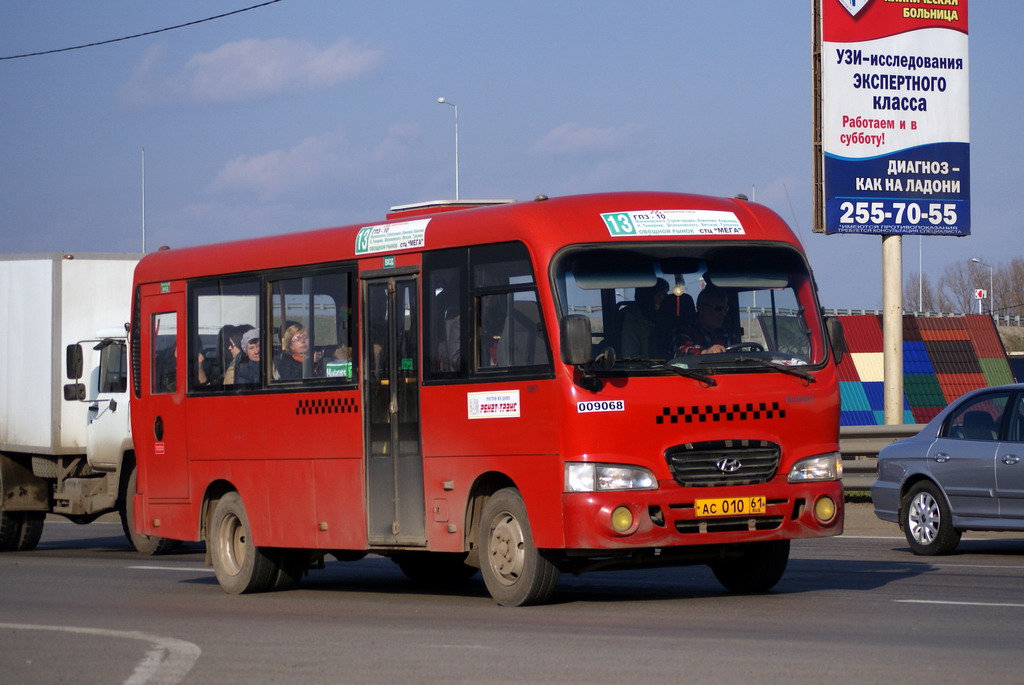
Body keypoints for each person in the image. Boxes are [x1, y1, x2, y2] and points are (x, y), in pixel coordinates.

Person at [675, 285, 738, 355]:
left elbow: (738, 353)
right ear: (702, 308)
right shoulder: (685, 330)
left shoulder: (728, 332)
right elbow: (681, 351)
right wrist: (706, 352)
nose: (723, 313)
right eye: (718, 309)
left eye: (725, 309)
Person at [620, 278, 669, 359]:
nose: (666, 298)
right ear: (648, 298)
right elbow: (631, 358)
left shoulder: (669, 318)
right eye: (661, 294)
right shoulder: (633, 323)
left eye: (666, 293)